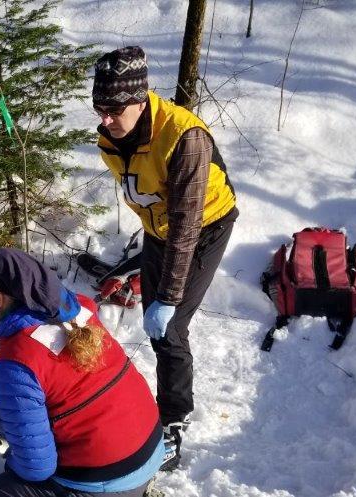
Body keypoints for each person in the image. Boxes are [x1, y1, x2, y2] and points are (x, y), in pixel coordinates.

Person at [91, 46, 238, 471]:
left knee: (169, 325)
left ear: (141, 98)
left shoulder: (184, 137)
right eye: (99, 107)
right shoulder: (113, 135)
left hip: (204, 226)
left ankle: (174, 421)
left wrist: (170, 295)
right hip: (160, 231)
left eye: (114, 108)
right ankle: (158, 402)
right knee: (156, 327)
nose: (105, 118)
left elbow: (186, 225)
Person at [0, 248, 165, 497]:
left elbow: (35, 469)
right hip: (149, 447)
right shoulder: (80, 310)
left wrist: (15, 460)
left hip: (104, 479)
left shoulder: (16, 363)